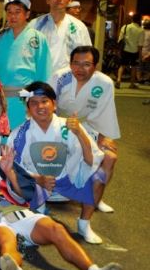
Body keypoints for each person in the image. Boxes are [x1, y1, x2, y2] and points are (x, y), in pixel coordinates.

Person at [0, 129, 123, 270]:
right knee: (5, 239)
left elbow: (26, 193)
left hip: (21, 214)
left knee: (57, 229)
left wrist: (10, 173)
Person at [8, 82, 106, 244]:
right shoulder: (19, 134)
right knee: (34, 223)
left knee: (98, 176)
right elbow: (14, 170)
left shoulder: (70, 126)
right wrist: (37, 179)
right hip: (37, 181)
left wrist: (80, 133)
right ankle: (37, 214)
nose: (40, 106)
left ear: (54, 104)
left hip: (66, 177)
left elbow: (91, 160)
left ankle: (84, 224)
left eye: (44, 101)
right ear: (28, 108)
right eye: (34, 102)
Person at [49, 46, 119, 220]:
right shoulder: (60, 77)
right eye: (76, 63)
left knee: (109, 157)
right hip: (61, 124)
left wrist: (104, 135)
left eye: (86, 64)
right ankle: (52, 193)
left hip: (90, 125)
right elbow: (47, 104)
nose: (80, 68)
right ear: (70, 64)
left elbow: (106, 111)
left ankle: (96, 195)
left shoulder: (104, 83)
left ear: (96, 67)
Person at [0, 0, 52, 129]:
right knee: (0, 139)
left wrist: (40, 100)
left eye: (17, 11)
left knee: (23, 138)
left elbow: (44, 72)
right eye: (9, 12)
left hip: (25, 99)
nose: (12, 16)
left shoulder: (38, 38)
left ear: (27, 14)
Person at [29, 0, 92, 72]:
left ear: (70, 0)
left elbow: (86, 56)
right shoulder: (35, 24)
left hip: (68, 78)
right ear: (47, 0)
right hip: (39, 76)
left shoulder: (79, 27)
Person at [116, 12, 143, 89]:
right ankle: (131, 84)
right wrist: (140, 54)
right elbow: (140, 44)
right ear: (139, 20)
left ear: (132, 19)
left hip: (125, 49)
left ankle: (118, 80)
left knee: (122, 66)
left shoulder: (125, 27)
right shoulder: (140, 30)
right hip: (135, 51)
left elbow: (120, 38)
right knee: (134, 67)